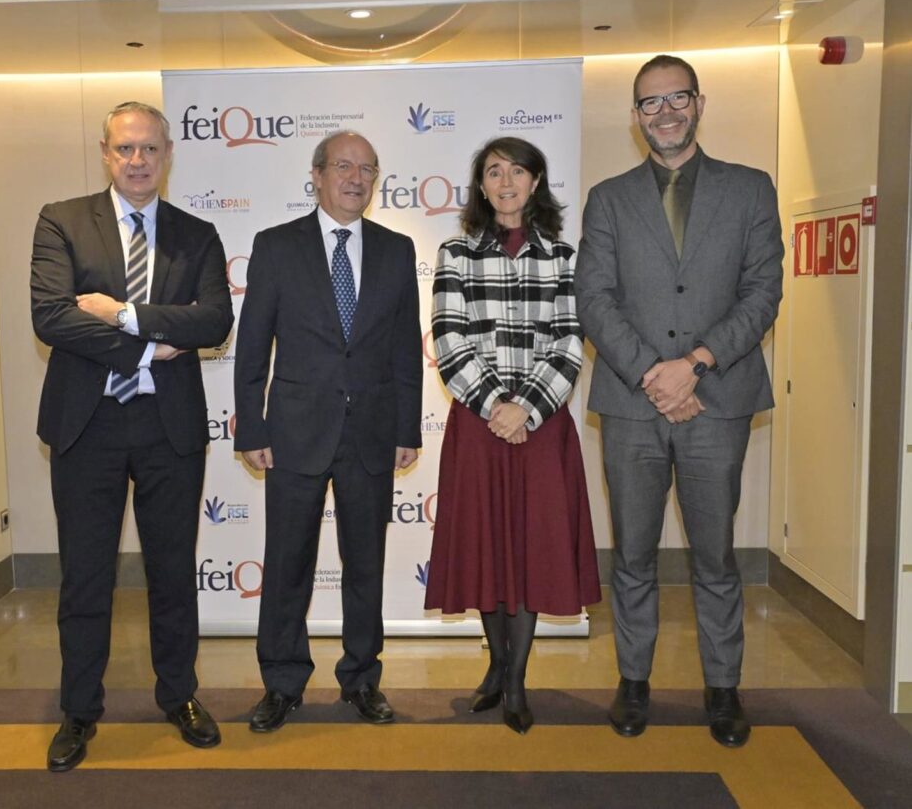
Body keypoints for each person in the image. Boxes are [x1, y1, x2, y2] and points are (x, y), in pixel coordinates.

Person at [575, 55, 783, 748]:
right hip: (634, 405)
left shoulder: (750, 189)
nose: (664, 112)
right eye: (649, 103)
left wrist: (693, 365)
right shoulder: (607, 198)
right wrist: (653, 376)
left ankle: (722, 690)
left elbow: (762, 292)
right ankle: (634, 682)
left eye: (676, 99)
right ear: (634, 116)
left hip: (716, 401)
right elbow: (594, 301)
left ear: (699, 102)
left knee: (715, 556)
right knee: (633, 554)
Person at [30, 101, 234, 771]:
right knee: (85, 577)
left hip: (167, 427)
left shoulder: (196, 233)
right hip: (86, 425)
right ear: (104, 152)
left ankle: (180, 696)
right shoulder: (61, 221)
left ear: (168, 153)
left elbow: (211, 322)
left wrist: (121, 313)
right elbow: (53, 318)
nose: (138, 160)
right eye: (125, 149)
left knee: (173, 573)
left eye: (149, 149)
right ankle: (79, 709)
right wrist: (148, 349)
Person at [233, 130, 423, 732]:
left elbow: (404, 352)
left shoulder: (396, 250)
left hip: (370, 431)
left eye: (367, 168)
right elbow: (253, 345)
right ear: (316, 174)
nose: (356, 178)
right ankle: (282, 682)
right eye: (343, 166)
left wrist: (406, 428)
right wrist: (251, 425)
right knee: (287, 562)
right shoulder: (275, 246)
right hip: (293, 432)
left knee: (365, 563)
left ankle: (362, 680)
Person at [424, 136, 601, 735]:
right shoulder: (455, 253)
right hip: (477, 425)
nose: (505, 182)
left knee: (528, 549)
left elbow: (569, 342)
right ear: (480, 184)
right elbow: (449, 340)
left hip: (542, 427)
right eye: (494, 172)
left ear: (535, 182)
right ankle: (496, 668)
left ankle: (517, 678)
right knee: (485, 547)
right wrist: (496, 405)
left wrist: (525, 408)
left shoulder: (563, 255)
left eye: (517, 172)